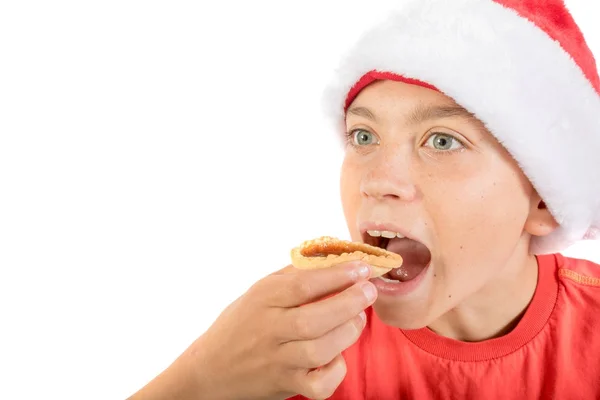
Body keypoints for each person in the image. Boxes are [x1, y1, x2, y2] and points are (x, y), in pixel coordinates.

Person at [128, 0, 600, 398]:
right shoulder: (299, 348)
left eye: (441, 141)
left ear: (543, 201)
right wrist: (201, 380)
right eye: (363, 135)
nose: (378, 180)